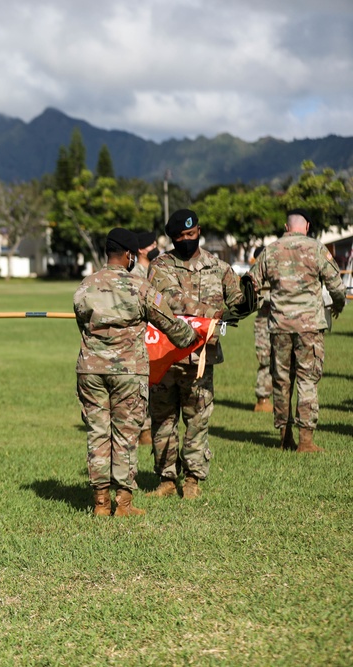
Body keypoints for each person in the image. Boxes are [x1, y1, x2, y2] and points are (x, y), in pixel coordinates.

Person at [74, 229, 198, 517]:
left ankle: (100, 503)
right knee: (126, 434)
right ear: (130, 255)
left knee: (98, 433)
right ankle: (124, 503)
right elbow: (168, 321)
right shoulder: (139, 286)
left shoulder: (85, 286)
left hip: (91, 370)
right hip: (128, 372)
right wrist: (193, 336)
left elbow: (82, 322)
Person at [147, 209, 247, 500]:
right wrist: (214, 312)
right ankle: (166, 479)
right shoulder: (160, 266)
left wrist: (250, 298)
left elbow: (237, 301)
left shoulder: (219, 267)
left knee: (197, 419)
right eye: (179, 237)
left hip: (202, 358)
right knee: (163, 420)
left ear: (199, 231)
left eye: (190, 235)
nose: (185, 240)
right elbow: (170, 300)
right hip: (166, 355)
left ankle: (192, 479)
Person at [248, 209, 345, 452]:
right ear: (308, 226)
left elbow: (251, 284)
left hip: (279, 326)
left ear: (286, 226)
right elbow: (337, 286)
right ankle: (306, 441)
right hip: (310, 327)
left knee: (281, 382)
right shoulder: (316, 248)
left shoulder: (270, 250)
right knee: (307, 379)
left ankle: (285, 437)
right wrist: (338, 306)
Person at [132, 230, 159, 446]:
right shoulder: (135, 273)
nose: (156, 248)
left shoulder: (155, 270)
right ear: (141, 249)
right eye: (152, 245)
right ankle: (144, 430)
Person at [251, 246, 273, 413]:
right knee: (265, 360)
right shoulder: (256, 277)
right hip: (263, 323)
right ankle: (262, 399)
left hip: (278, 322)